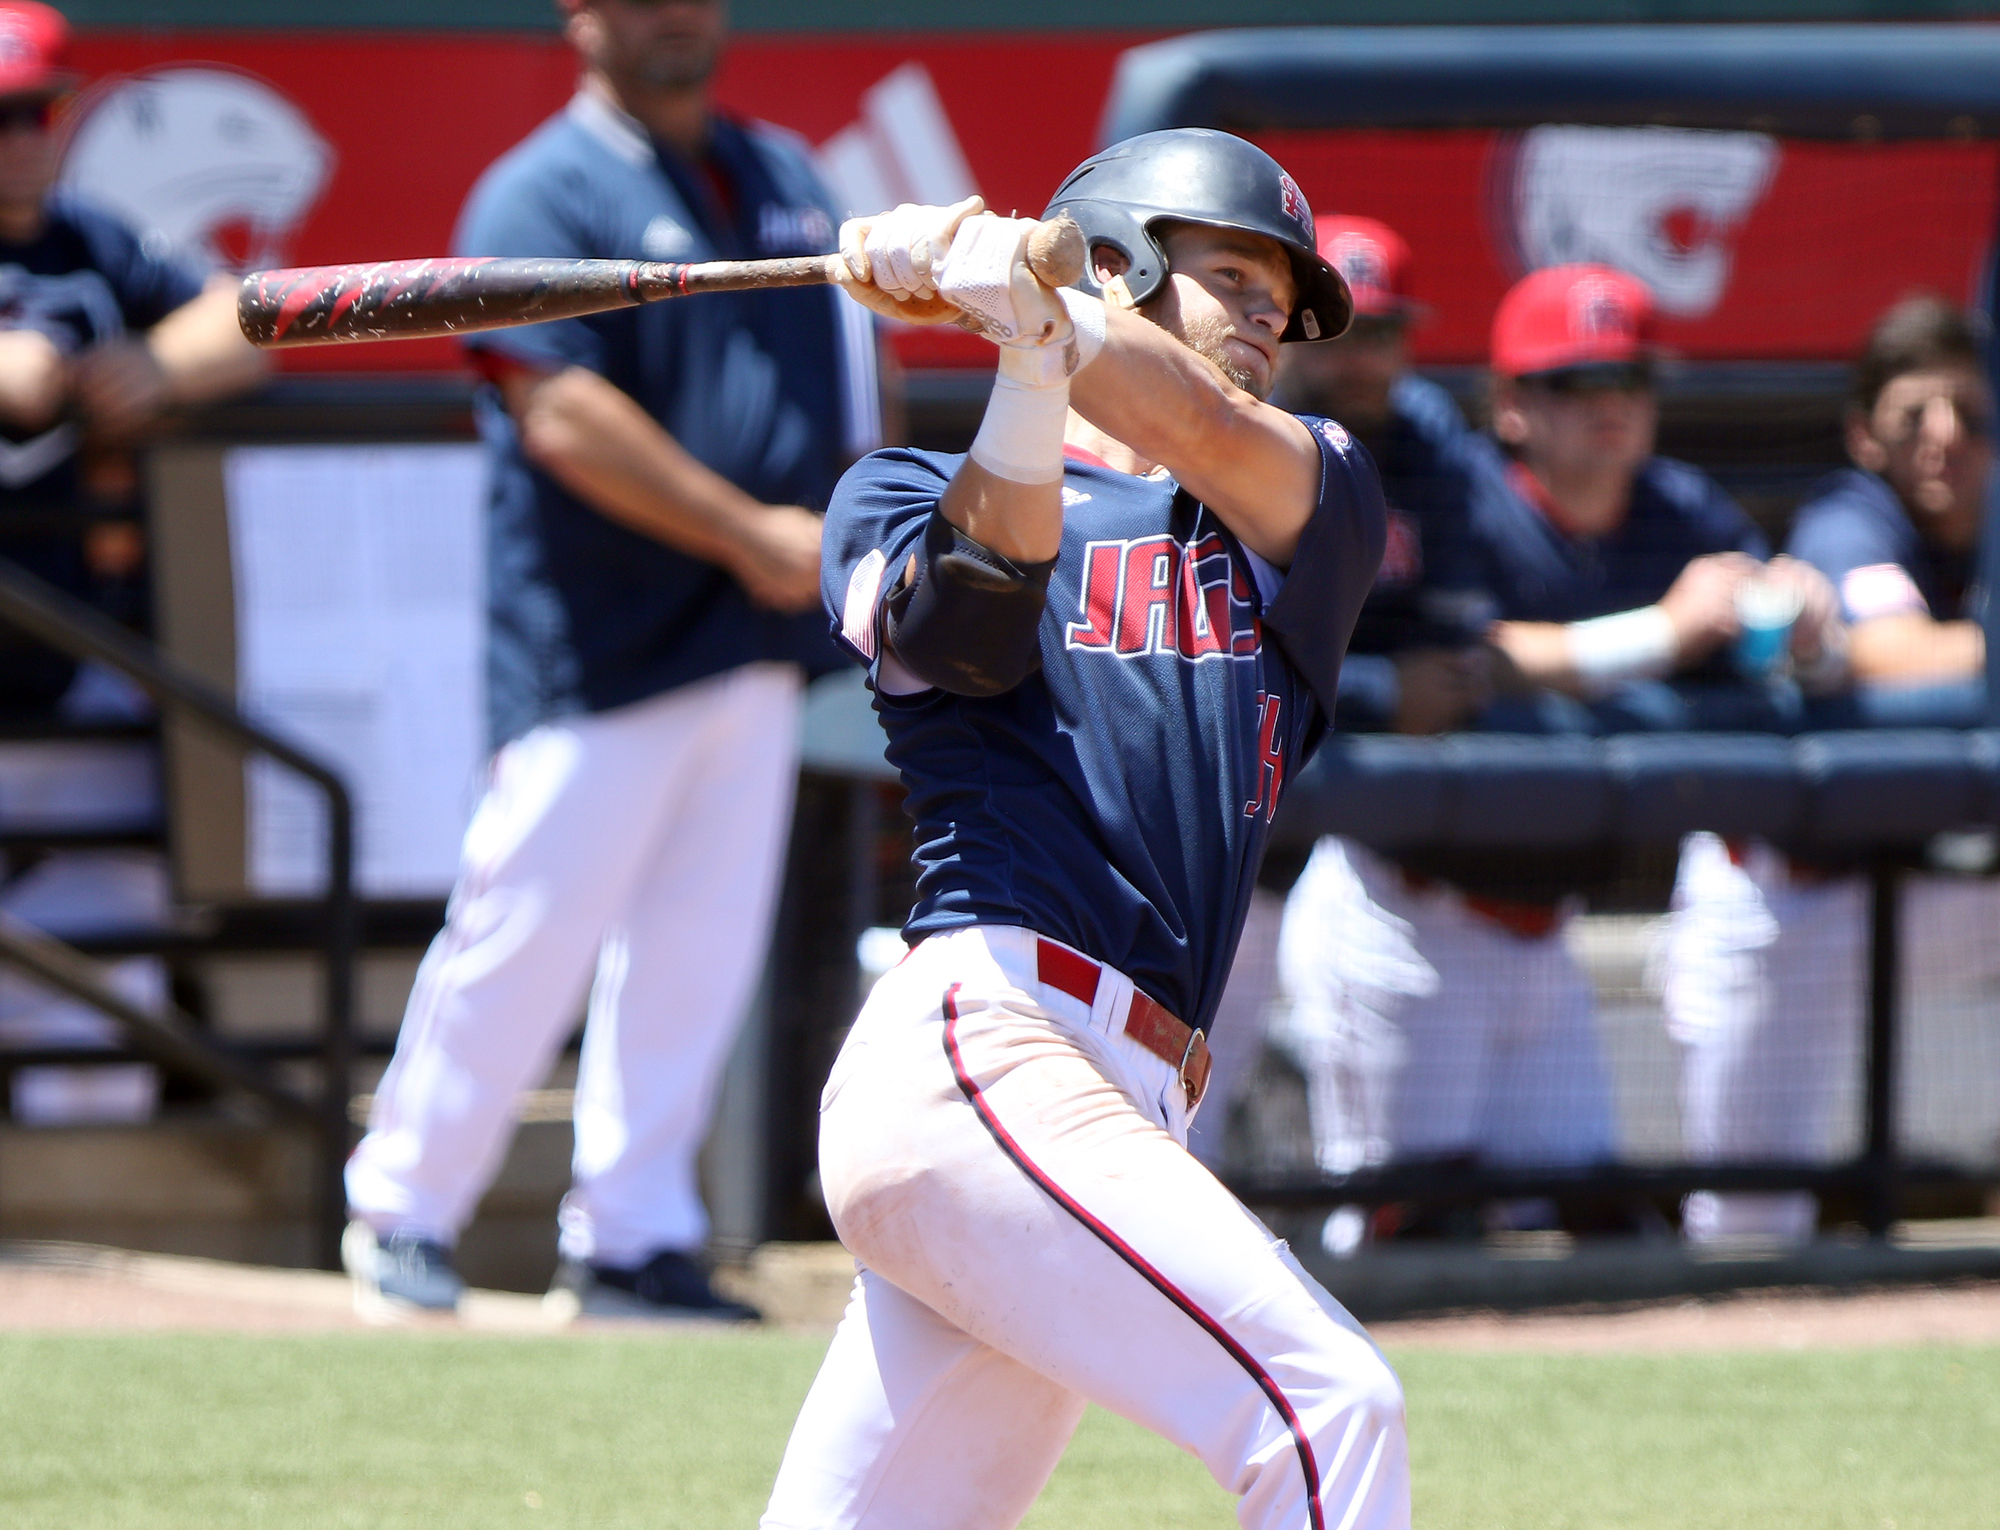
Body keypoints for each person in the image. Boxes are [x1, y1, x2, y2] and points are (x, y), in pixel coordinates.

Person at [760, 130, 1407, 1530]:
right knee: (1331, 1406)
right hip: (989, 1041)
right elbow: (972, 629)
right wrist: (1026, 351)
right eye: (1232, 275)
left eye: (1282, 305)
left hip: (1124, 1107)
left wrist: (1030, 305)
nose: (1267, 322)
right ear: (1120, 255)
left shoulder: (1309, 508)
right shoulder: (891, 490)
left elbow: (1201, 427)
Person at [340, 0, 877, 1319]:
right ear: (581, 19)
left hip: (754, 634)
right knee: (525, 929)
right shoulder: (543, 184)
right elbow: (560, 408)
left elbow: (857, 362)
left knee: (698, 949)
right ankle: (401, 1208)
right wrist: (751, 530)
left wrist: (847, 527)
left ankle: (635, 1234)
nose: (675, 18)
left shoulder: (784, 173)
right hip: (606, 629)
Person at [1277, 264, 1845, 1252]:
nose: (1610, 408)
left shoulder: (1675, 505)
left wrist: (1798, 613)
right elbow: (1474, 661)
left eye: (1627, 382)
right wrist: (1661, 635)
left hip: (1546, 934)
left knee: (1602, 1225)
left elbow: (1765, 617)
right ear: (1510, 406)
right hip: (1409, 917)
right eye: (1577, 386)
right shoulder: (1467, 498)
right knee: (1403, 1237)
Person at [1664, 294, 2000, 1244]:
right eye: (1915, 419)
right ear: (1867, 437)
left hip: (1927, 897)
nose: (1947, 439)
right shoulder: (1849, 518)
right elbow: (1890, 653)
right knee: (1747, 1228)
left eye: (1972, 417)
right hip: (1780, 903)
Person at [0, 0, 267, 1123]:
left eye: (34, 112)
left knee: (107, 981)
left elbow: (241, 324)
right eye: (0, 116)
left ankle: (101, 1230)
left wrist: (150, 367)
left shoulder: (87, 240)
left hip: (65, 679)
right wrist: (49, 359)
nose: (19, 139)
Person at [1189, 215, 1485, 1174]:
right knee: (1177, 1109)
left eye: (1389, 334)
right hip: (1239, 832)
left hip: (1368, 840)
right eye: (1352, 334)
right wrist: (1382, 688)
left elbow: (1455, 632)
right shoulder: (1230, 438)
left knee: (1384, 1151)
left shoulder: (1431, 450)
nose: (1370, 360)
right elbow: (1220, 640)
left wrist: (1438, 677)